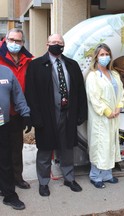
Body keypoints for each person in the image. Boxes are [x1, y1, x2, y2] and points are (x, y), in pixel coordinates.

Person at [25, 34, 87, 196]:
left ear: (64, 45)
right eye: (54, 42)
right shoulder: (36, 65)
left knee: (67, 148)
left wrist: (81, 113)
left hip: (68, 114)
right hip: (46, 115)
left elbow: (80, 91)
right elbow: (30, 94)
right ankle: (43, 182)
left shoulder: (72, 65)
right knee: (45, 149)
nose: (57, 45)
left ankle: (69, 178)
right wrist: (35, 117)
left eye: (60, 43)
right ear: (47, 44)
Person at [85, 43, 124, 189]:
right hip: (101, 117)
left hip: (114, 116)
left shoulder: (114, 74)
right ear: (96, 57)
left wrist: (119, 107)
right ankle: (95, 176)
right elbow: (94, 98)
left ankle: (107, 175)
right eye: (102, 54)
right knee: (100, 145)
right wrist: (107, 112)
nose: (105, 57)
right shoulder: (93, 76)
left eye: (107, 54)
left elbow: (121, 92)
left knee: (110, 144)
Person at [0, 28, 33, 189]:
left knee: (16, 147)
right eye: (11, 40)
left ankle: (17, 178)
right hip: (1, 113)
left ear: (23, 43)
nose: (14, 43)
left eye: (18, 41)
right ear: (6, 40)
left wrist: (26, 112)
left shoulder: (28, 59)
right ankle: (4, 181)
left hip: (18, 111)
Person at [0, 65, 32, 210]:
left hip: (2, 123)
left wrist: (25, 114)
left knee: (5, 160)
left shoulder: (6, 72)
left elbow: (18, 95)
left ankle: (9, 195)